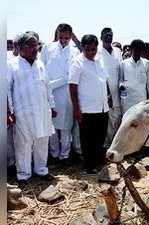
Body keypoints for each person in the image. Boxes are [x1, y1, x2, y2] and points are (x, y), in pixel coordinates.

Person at [7, 32, 56, 184]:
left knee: (42, 140)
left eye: (36, 45)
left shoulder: (40, 64)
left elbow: (47, 86)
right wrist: (8, 112)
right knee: (23, 144)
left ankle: (41, 170)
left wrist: (52, 105)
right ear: (21, 48)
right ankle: (23, 175)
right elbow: (4, 90)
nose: (35, 48)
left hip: (42, 111)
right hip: (22, 112)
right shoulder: (11, 65)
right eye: (31, 45)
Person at [69, 34, 109, 174]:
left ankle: (98, 161)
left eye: (93, 49)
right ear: (83, 48)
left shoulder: (99, 60)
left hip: (103, 107)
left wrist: (108, 98)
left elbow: (104, 80)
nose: (91, 52)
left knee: (100, 137)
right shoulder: (77, 62)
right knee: (88, 139)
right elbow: (72, 87)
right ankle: (88, 165)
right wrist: (76, 109)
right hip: (87, 109)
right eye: (88, 50)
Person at [40, 23, 80, 164]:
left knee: (65, 128)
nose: (63, 40)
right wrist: (47, 86)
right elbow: (41, 69)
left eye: (67, 38)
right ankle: (54, 155)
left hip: (66, 94)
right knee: (51, 128)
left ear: (70, 37)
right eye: (61, 37)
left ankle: (65, 156)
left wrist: (52, 84)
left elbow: (70, 75)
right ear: (57, 34)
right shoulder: (47, 48)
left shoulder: (75, 51)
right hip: (49, 94)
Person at [96, 27, 122, 146]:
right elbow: (99, 73)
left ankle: (114, 144)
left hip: (118, 91)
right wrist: (107, 93)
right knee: (105, 120)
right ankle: (105, 145)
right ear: (101, 37)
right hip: (104, 91)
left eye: (110, 35)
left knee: (116, 118)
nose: (108, 37)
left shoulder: (117, 51)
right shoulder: (97, 52)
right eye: (105, 35)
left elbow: (121, 70)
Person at [119, 39, 149, 114]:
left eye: (140, 50)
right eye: (136, 50)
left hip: (142, 100)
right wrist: (121, 86)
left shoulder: (146, 63)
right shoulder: (123, 64)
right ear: (131, 49)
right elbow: (120, 80)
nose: (138, 52)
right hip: (127, 102)